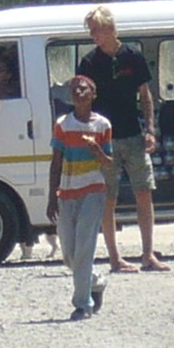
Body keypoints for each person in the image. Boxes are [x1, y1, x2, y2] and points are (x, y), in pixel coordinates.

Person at [77, 5, 169, 273]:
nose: (93, 35)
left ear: (109, 28)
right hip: (103, 138)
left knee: (144, 192)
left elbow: (146, 94)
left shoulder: (133, 56)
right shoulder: (89, 62)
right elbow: (81, 98)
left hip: (133, 134)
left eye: (96, 30)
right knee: (108, 197)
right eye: (91, 31)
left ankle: (148, 254)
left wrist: (150, 129)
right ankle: (115, 258)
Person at [47, 76, 111, 320]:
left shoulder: (103, 125)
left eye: (83, 89)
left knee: (85, 247)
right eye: (74, 90)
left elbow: (110, 163)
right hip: (67, 192)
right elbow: (56, 162)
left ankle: (82, 304)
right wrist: (52, 197)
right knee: (70, 255)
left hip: (93, 191)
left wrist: (98, 152)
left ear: (93, 94)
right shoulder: (63, 124)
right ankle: (95, 281)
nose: (79, 93)